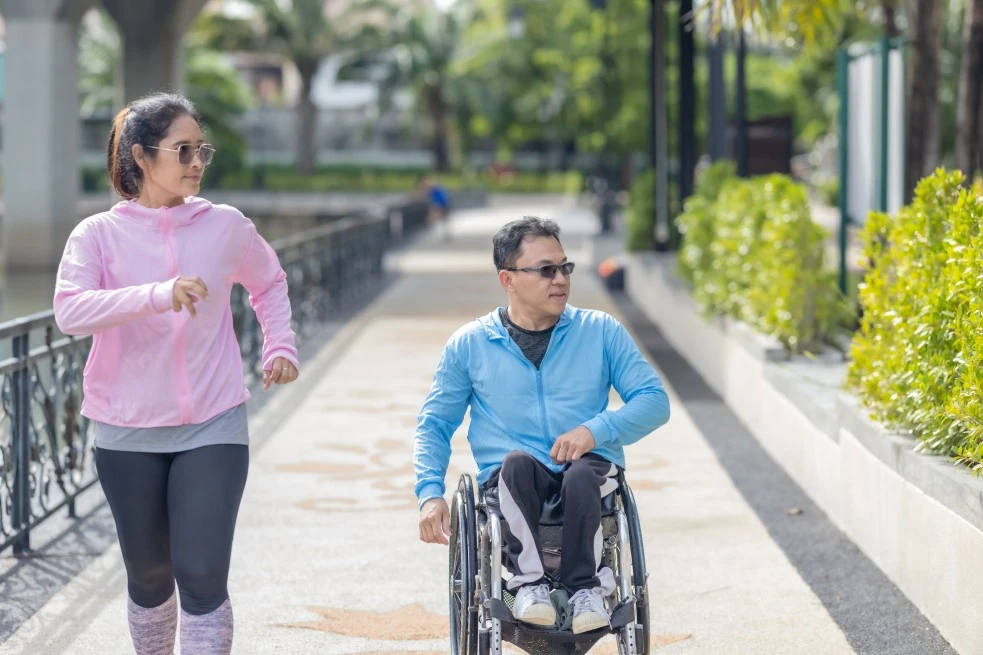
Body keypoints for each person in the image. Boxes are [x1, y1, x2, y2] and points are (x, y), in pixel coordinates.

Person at [53, 93, 299, 655]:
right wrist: (159, 294)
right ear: (141, 156)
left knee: (202, 574)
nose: (195, 162)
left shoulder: (226, 226)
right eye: (182, 149)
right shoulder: (96, 236)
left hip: (212, 424)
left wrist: (278, 344)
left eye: (201, 150)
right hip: (126, 427)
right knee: (149, 577)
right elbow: (70, 311)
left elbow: (269, 281)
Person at [414, 217, 670, 634]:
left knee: (584, 473)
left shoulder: (601, 331)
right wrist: (429, 494)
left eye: (565, 267)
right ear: (507, 279)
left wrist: (595, 430)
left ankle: (586, 588)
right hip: (512, 481)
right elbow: (435, 424)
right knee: (514, 464)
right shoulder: (470, 344)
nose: (560, 280)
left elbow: (654, 401)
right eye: (545, 269)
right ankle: (528, 584)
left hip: (589, 472)